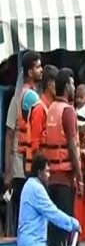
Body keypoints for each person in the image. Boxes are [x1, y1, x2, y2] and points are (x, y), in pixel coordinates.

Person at [43, 68, 82, 246]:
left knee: (53, 224)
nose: (74, 87)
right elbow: (73, 147)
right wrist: (80, 176)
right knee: (65, 224)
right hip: (65, 177)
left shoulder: (50, 108)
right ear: (67, 86)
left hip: (51, 176)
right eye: (73, 84)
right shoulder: (68, 111)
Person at [5, 52, 43, 234]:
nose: (41, 70)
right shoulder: (19, 99)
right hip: (20, 165)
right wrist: (8, 169)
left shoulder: (33, 97)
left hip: (28, 162)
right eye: (37, 67)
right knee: (22, 209)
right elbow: (9, 134)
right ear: (29, 72)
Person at [17, 154, 80, 246]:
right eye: (47, 171)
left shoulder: (28, 184)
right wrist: (74, 224)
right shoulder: (37, 188)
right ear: (39, 172)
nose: (49, 175)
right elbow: (53, 213)